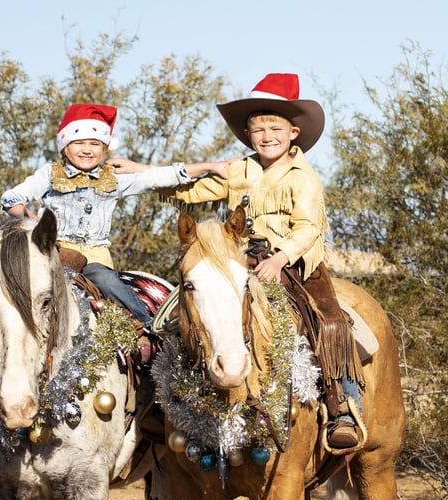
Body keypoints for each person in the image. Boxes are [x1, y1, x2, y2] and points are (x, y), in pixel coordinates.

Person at [109, 73, 365, 449]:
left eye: (275, 128)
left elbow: (309, 228)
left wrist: (280, 259)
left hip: (294, 264)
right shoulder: (240, 170)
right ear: (248, 135)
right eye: (258, 129)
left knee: (330, 321)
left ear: (293, 132)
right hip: (240, 261)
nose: (267, 136)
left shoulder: (303, 177)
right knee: (178, 315)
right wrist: (142, 172)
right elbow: (192, 189)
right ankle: (169, 403)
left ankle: (340, 407)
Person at [1, 103, 228, 363]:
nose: (87, 149)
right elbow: (12, 197)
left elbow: (158, 177)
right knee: (10, 281)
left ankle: (147, 328)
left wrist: (210, 167)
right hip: (54, 250)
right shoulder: (50, 175)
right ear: (64, 146)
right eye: (79, 142)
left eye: (95, 144)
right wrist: (30, 219)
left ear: (105, 148)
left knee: (106, 281)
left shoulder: (113, 179)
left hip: (94, 255)